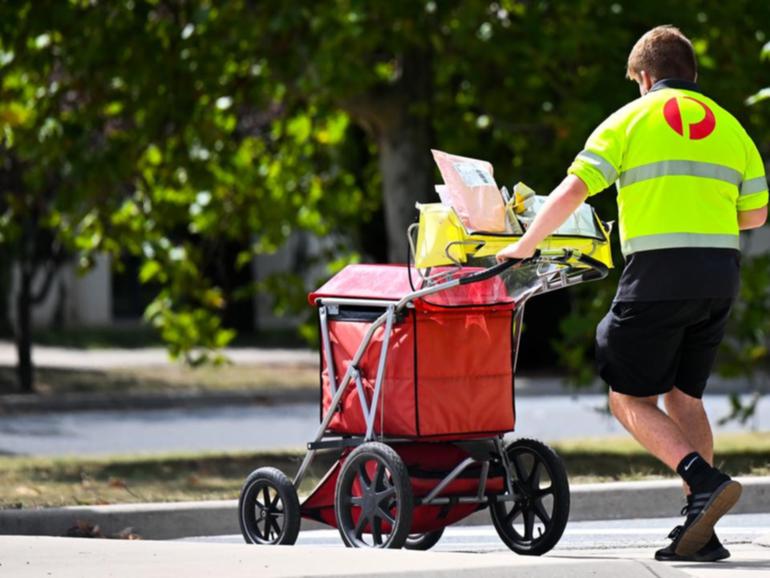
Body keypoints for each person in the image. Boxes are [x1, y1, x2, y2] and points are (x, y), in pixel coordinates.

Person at [496, 25, 768, 561]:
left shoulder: (629, 119)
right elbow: (756, 214)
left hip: (658, 277)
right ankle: (701, 530)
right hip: (719, 277)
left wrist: (526, 245)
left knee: (627, 395)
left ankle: (702, 480)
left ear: (643, 78)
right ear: (691, 74)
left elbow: (575, 188)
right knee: (684, 397)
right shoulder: (731, 127)